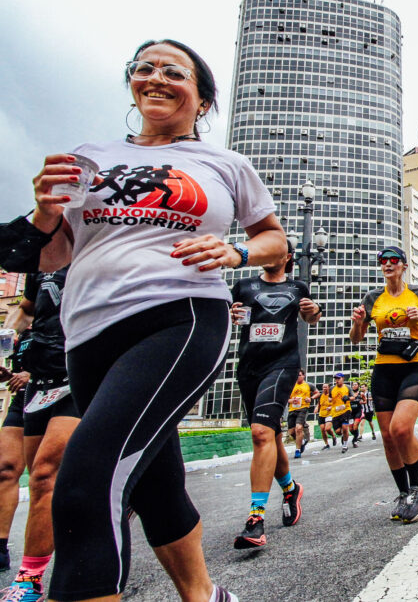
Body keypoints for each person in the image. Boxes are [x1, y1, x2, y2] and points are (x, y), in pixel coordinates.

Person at [30, 39, 283, 600]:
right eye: (144, 68)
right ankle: (204, 595)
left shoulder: (224, 164)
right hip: (89, 334)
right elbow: (53, 255)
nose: (157, 77)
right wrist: (46, 213)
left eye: (175, 71)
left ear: (203, 100)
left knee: (87, 479)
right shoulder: (89, 156)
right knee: (156, 484)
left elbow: (274, 240)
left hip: (182, 315)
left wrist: (236, 252)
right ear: (132, 84)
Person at [230, 244, 318, 549]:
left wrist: (313, 312)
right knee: (272, 436)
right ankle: (291, 489)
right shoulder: (243, 286)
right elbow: (232, 317)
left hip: (283, 365)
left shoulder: (297, 286)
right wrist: (230, 314)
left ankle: (256, 518)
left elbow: (312, 316)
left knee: (260, 433)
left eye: (279, 249)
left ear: (288, 257)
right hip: (249, 366)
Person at [0, 267, 80, 598]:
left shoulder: (102, 248)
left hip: (79, 376)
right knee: (28, 477)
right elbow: (27, 309)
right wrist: (5, 340)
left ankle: (29, 579)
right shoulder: (41, 266)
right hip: (37, 383)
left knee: (46, 475)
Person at [350, 245, 418, 523]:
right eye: (383, 261)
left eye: (393, 260)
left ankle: (417, 487)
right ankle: (403, 493)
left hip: (413, 367)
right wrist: (356, 323)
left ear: (403, 265)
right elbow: (356, 338)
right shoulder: (372, 298)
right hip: (383, 370)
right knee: (388, 437)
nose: (388, 264)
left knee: (401, 428)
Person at [0, 328, 31, 573]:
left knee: (50, 474)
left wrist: (33, 373)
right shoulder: (19, 329)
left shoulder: (63, 309)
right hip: (22, 399)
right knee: (5, 469)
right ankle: (0, 548)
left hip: (63, 393)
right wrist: (9, 374)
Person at [288, 370, 314, 457]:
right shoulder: (291, 385)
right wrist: (291, 400)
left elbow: (317, 393)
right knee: (291, 432)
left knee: (298, 428)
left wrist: (310, 398)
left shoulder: (308, 385)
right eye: (296, 375)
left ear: (303, 376)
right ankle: (302, 442)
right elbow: (286, 398)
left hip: (303, 408)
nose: (297, 377)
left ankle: (297, 450)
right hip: (292, 409)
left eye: (299, 375)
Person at [329, 373, 353, 455]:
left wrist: (348, 398)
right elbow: (329, 397)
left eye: (338, 378)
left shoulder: (347, 387)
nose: (337, 380)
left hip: (346, 410)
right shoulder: (332, 388)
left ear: (343, 379)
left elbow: (353, 397)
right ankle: (343, 435)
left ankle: (345, 446)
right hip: (336, 412)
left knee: (345, 427)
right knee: (338, 431)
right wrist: (329, 400)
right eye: (336, 379)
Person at [317, 384, 336, 448]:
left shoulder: (332, 395)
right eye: (323, 387)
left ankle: (333, 436)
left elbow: (336, 403)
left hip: (330, 414)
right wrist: (317, 408)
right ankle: (326, 444)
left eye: (326, 387)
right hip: (321, 414)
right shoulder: (320, 395)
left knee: (327, 428)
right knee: (322, 429)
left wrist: (331, 407)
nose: (324, 388)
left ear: (329, 388)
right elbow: (319, 403)